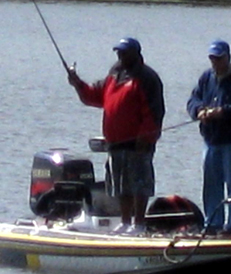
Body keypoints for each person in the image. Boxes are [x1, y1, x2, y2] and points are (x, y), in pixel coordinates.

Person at [68, 37, 165, 233]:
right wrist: (77, 83)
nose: (120, 55)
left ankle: (139, 223)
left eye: (124, 52)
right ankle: (126, 222)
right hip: (115, 143)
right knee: (120, 185)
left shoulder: (147, 78)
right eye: (118, 52)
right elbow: (94, 96)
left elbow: (155, 112)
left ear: (136, 54)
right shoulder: (114, 74)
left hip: (137, 144)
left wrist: (146, 137)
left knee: (139, 184)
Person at [186, 39, 231, 234]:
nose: (215, 62)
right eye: (213, 58)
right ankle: (213, 223)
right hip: (211, 142)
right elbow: (193, 100)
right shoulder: (206, 77)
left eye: (219, 58)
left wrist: (222, 112)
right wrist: (199, 111)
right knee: (211, 186)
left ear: (228, 57)